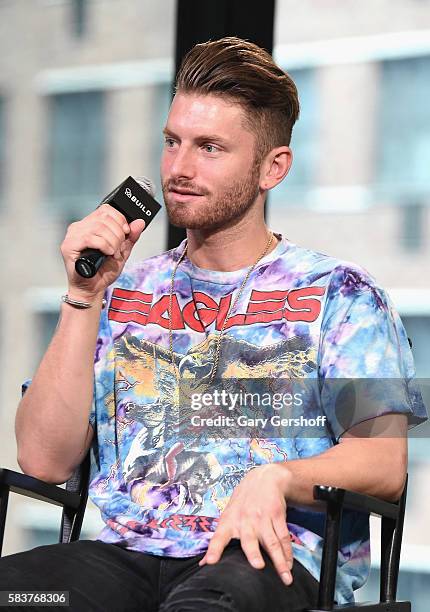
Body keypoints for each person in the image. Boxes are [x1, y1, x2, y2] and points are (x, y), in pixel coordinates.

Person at [1, 37, 427, 612]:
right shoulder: (122, 289)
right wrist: (84, 295)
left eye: (209, 148)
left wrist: (278, 477)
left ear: (272, 168)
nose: (179, 168)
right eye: (172, 142)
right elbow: (43, 461)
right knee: (24, 598)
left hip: (264, 558)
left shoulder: (342, 294)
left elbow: (383, 464)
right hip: (126, 558)